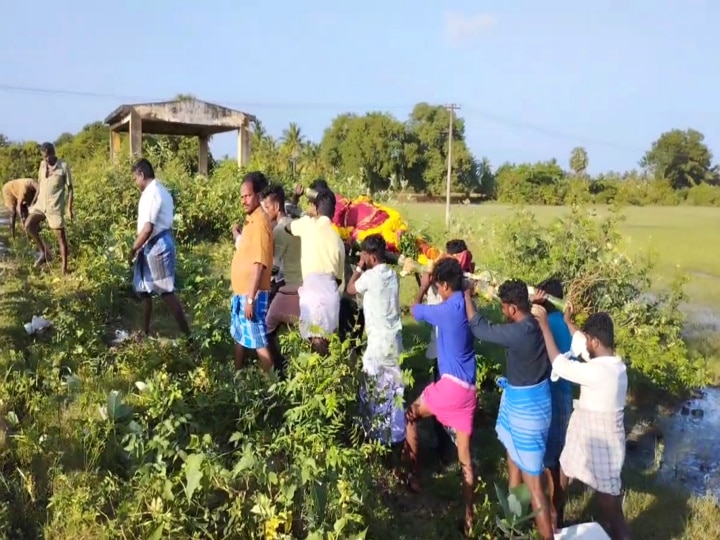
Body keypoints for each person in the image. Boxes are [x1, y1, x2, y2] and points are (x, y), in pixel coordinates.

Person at [463, 279, 554, 540]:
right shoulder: (536, 321)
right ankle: (514, 522)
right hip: (526, 404)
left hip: (528, 413)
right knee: (514, 463)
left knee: (534, 485)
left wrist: (468, 296)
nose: (502, 312)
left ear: (513, 308)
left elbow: (480, 328)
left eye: (504, 308)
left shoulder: (519, 333)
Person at [532, 305, 630, 540]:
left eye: (586, 338)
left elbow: (559, 364)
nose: (582, 342)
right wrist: (568, 322)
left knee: (611, 509)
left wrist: (545, 325)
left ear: (595, 341)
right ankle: (557, 523)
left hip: (601, 441)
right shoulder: (615, 365)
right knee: (564, 472)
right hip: (584, 432)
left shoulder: (597, 373)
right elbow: (585, 348)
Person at [406, 257, 477, 534]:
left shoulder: (445, 310)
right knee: (465, 457)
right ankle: (469, 516)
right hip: (469, 390)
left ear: (445, 285)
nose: (439, 290)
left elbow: (414, 311)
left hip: (449, 387)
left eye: (439, 286)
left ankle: (413, 475)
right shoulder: (470, 305)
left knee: (410, 415)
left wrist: (423, 287)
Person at [416, 238, 475, 463]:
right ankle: (454, 450)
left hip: (446, 359)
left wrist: (423, 286)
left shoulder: (442, 293)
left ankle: (443, 448)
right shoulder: (464, 295)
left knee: (430, 409)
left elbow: (417, 310)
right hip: (460, 365)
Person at [346, 234, 405, 447]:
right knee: (395, 390)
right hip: (395, 341)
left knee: (372, 391)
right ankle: (397, 438)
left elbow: (351, 289)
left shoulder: (370, 277)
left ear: (370, 257)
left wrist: (359, 268)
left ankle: (375, 440)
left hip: (378, 344)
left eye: (364, 255)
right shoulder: (393, 275)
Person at [128, 158, 191, 340]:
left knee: (166, 292)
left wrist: (133, 249)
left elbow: (148, 228)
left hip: (157, 244)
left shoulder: (153, 193)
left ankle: (188, 338)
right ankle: (144, 332)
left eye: (135, 178)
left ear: (141, 174)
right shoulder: (160, 190)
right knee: (146, 291)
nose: (135, 182)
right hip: (154, 243)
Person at [532, 278, 574, 529]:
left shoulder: (546, 324)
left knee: (552, 458)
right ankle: (556, 511)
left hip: (553, 394)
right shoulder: (563, 324)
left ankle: (554, 515)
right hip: (563, 394)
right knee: (556, 456)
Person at [285, 188, 345, 356]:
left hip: (313, 290)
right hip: (331, 291)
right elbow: (339, 278)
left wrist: (306, 212)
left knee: (316, 342)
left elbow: (288, 226)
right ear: (333, 213)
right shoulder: (338, 238)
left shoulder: (308, 224)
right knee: (328, 340)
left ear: (317, 209)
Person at [230, 171, 274, 372]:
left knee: (258, 340)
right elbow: (247, 253)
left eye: (247, 196)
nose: (244, 200)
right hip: (243, 292)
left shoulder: (261, 222)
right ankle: (237, 375)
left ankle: (274, 389)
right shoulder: (251, 221)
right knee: (240, 334)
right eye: (242, 196)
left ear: (258, 195)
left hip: (252, 294)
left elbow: (259, 263)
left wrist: (250, 298)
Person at [260, 184, 302, 373]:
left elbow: (273, 269)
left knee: (263, 329)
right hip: (302, 284)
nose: (265, 212)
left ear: (276, 207)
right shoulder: (293, 223)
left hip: (290, 287)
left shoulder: (279, 230)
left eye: (267, 208)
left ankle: (278, 368)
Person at [25, 142, 73, 274]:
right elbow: (40, 185)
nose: (46, 159)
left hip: (54, 207)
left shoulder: (63, 166)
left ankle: (64, 269)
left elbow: (70, 189)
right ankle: (46, 253)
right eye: (43, 157)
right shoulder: (42, 165)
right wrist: (33, 202)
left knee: (60, 237)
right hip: (41, 204)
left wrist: (69, 208)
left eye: (47, 156)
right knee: (28, 225)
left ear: (53, 153)